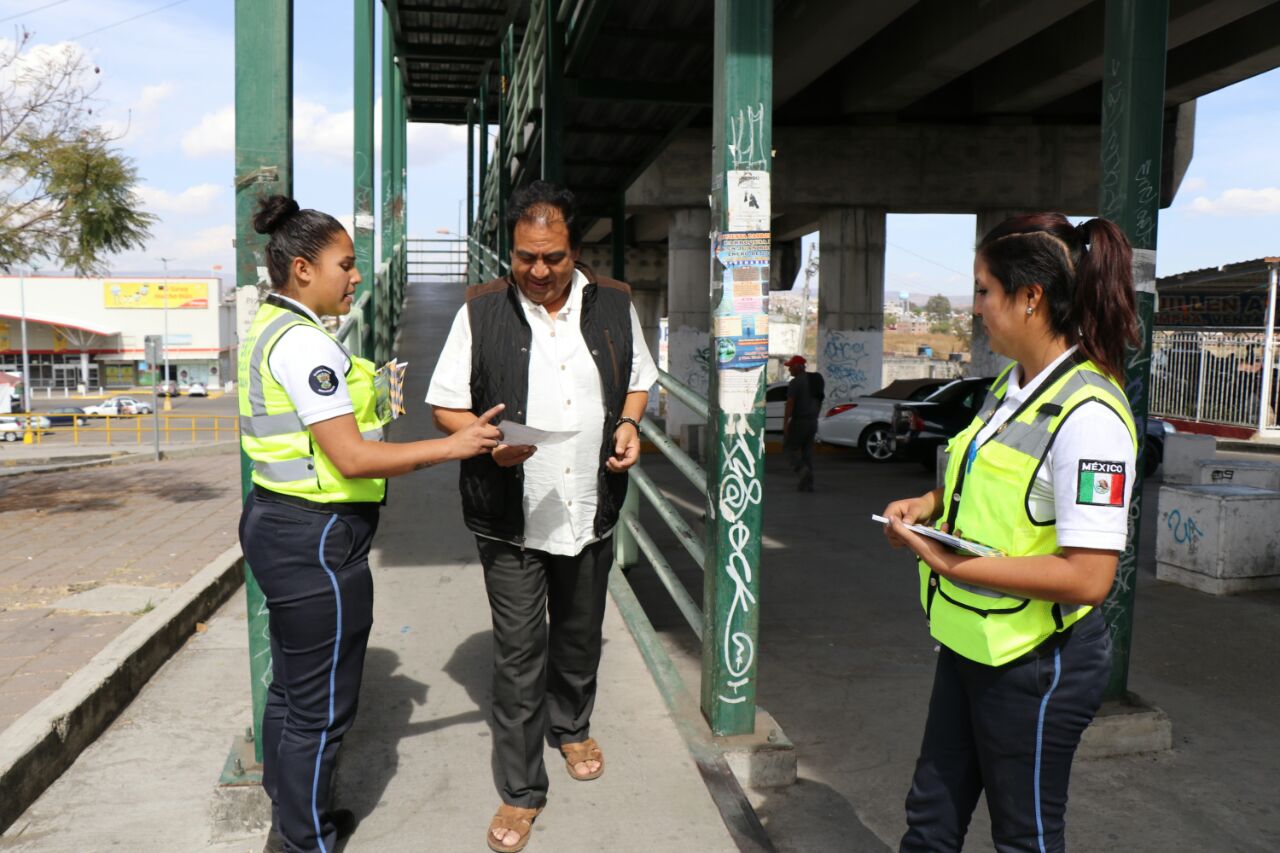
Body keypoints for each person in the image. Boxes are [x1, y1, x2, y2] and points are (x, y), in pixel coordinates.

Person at [238, 195, 502, 853]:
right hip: (317, 538)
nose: (355, 277)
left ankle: (293, 814)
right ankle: (304, 841)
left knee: (291, 694)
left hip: (280, 520)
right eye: (345, 264)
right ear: (302, 269)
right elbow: (352, 455)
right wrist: (454, 445)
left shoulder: (270, 326)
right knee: (321, 711)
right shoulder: (305, 348)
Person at [881, 212, 1140, 853]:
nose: (974, 308)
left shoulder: (1091, 417)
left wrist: (951, 566)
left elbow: (1089, 577)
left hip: (1037, 661)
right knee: (930, 818)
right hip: (971, 639)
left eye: (982, 291)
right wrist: (928, 505)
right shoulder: (1010, 386)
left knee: (1024, 837)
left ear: (1030, 299)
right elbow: (980, 475)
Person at [427, 180, 658, 853]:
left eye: (551, 256)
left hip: (590, 504)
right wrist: (487, 443)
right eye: (524, 256)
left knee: (581, 633)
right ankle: (521, 790)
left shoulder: (614, 303)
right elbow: (444, 404)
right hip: (508, 515)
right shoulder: (480, 310)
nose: (536, 270)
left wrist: (629, 426)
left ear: (575, 250)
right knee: (521, 651)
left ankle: (572, 724)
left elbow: (639, 378)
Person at [782, 354, 823, 491]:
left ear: (798, 367)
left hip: (799, 421)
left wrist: (786, 422)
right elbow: (820, 400)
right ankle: (808, 484)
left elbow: (790, 403)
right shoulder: (816, 380)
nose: (789, 370)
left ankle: (803, 471)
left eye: (791, 367)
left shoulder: (796, 382)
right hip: (813, 422)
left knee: (789, 450)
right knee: (807, 452)